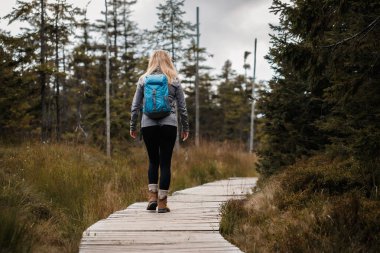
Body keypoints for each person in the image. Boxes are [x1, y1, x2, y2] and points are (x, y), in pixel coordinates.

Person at [130, 50, 189, 213]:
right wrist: (185, 127)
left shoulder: (143, 79)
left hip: (148, 124)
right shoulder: (174, 79)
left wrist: (132, 126)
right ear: (168, 61)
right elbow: (182, 107)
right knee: (165, 163)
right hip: (169, 124)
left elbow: (135, 106)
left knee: (153, 161)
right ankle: (162, 203)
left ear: (152, 62)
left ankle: (151, 198)